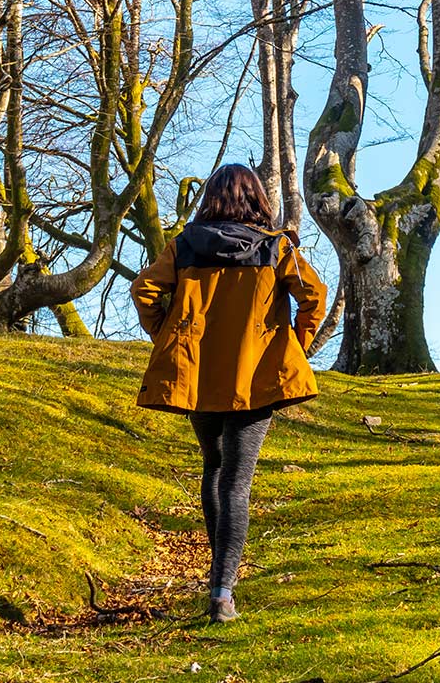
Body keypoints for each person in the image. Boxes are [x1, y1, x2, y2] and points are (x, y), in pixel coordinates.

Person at [130, 164, 329, 624]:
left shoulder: (184, 246)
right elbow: (314, 295)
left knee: (214, 468)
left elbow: (145, 289)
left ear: (211, 199)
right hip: (255, 379)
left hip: (198, 378)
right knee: (237, 481)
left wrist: (166, 335)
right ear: (257, 198)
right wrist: (295, 342)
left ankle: (219, 580)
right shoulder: (276, 247)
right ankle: (222, 592)